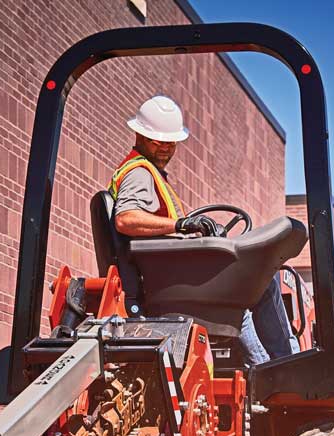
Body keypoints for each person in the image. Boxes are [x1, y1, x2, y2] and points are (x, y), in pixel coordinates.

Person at [108, 95, 296, 365]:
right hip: (166, 284)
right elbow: (126, 219)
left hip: (166, 278)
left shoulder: (148, 173)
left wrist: (194, 232)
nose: (166, 148)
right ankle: (282, 366)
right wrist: (181, 225)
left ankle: (268, 367)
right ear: (139, 134)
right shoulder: (139, 172)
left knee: (246, 287)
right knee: (261, 282)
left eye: (171, 142)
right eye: (158, 141)